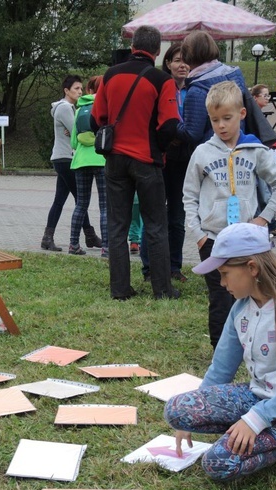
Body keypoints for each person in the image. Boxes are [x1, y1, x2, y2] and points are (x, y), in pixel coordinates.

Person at [165, 222, 276, 482]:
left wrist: (256, 419)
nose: (221, 283)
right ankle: (252, 433)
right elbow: (221, 367)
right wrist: (186, 424)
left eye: (225, 274)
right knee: (177, 410)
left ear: (252, 268)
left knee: (218, 464)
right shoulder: (240, 308)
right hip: (260, 396)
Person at [183, 81, 276, 349]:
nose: (221, 125)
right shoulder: (202, 153)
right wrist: (198, 235)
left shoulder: (255, 151)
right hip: (212, 240)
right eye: (215, 120)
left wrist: (263, 218)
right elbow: (189, 196)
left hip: (246, 241)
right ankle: (220, 351)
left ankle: (251, 345)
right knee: (220, 297)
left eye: (227, 118)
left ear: (241, 114)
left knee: (251, 295)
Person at [91, 25, 181, 300]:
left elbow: (96, 119)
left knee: (117, 226)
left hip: (115, 160)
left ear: (132, 47)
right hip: (146, 160)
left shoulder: (110, 75)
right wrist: (159, 150)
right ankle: (162, 289)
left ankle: (120, 289)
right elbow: (169, 124)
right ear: (157, 52)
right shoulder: (160, 80)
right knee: (155, 225)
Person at [140, 43, 190, 282]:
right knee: (154, 214)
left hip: (185, 161)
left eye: (187, 60)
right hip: (161, 158)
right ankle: (149, 268)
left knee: (177, 217)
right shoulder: (160, 87)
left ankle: (174, 267)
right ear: (168, 63)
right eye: (178, 60)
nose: (183, 65)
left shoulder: (195, 90)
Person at [177, 31, 276, 148]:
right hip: (239, 147)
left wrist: (173, 125)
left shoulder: (197, 89)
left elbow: (192, 133)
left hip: (213, 153)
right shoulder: (234, 75)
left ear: (186, 55)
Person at [40, 75, 102, 252]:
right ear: (66, 91)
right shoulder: (65, 108)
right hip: (65, 158)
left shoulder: (71, 108)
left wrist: (74, 129)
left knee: (60, 199)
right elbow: (80, 130)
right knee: (80, 200)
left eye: (81, 89)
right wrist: (78, 129)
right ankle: (89, 236)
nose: (80, 91)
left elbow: (73, 130)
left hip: (64, 157)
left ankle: (47, 238)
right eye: (76, 89)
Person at [68, 76, 108, 257]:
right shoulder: (106, 106)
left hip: (81, 161)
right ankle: (106, 248)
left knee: (81, 204)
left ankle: (73, 244)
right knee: (105, 206)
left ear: (90, 90)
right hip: (102, 160)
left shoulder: (79, 109)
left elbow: (74, 142)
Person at [251, 84, 276, 237]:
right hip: (256, 159)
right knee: (264, 193)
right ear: (255, 98)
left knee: (264, 192)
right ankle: (268, 225)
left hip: (260, 157)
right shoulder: (253, 116)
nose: (268, 99)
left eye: (268, 96)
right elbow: (260, 137)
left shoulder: (257, 115)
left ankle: (271, 225)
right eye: (264, 95)